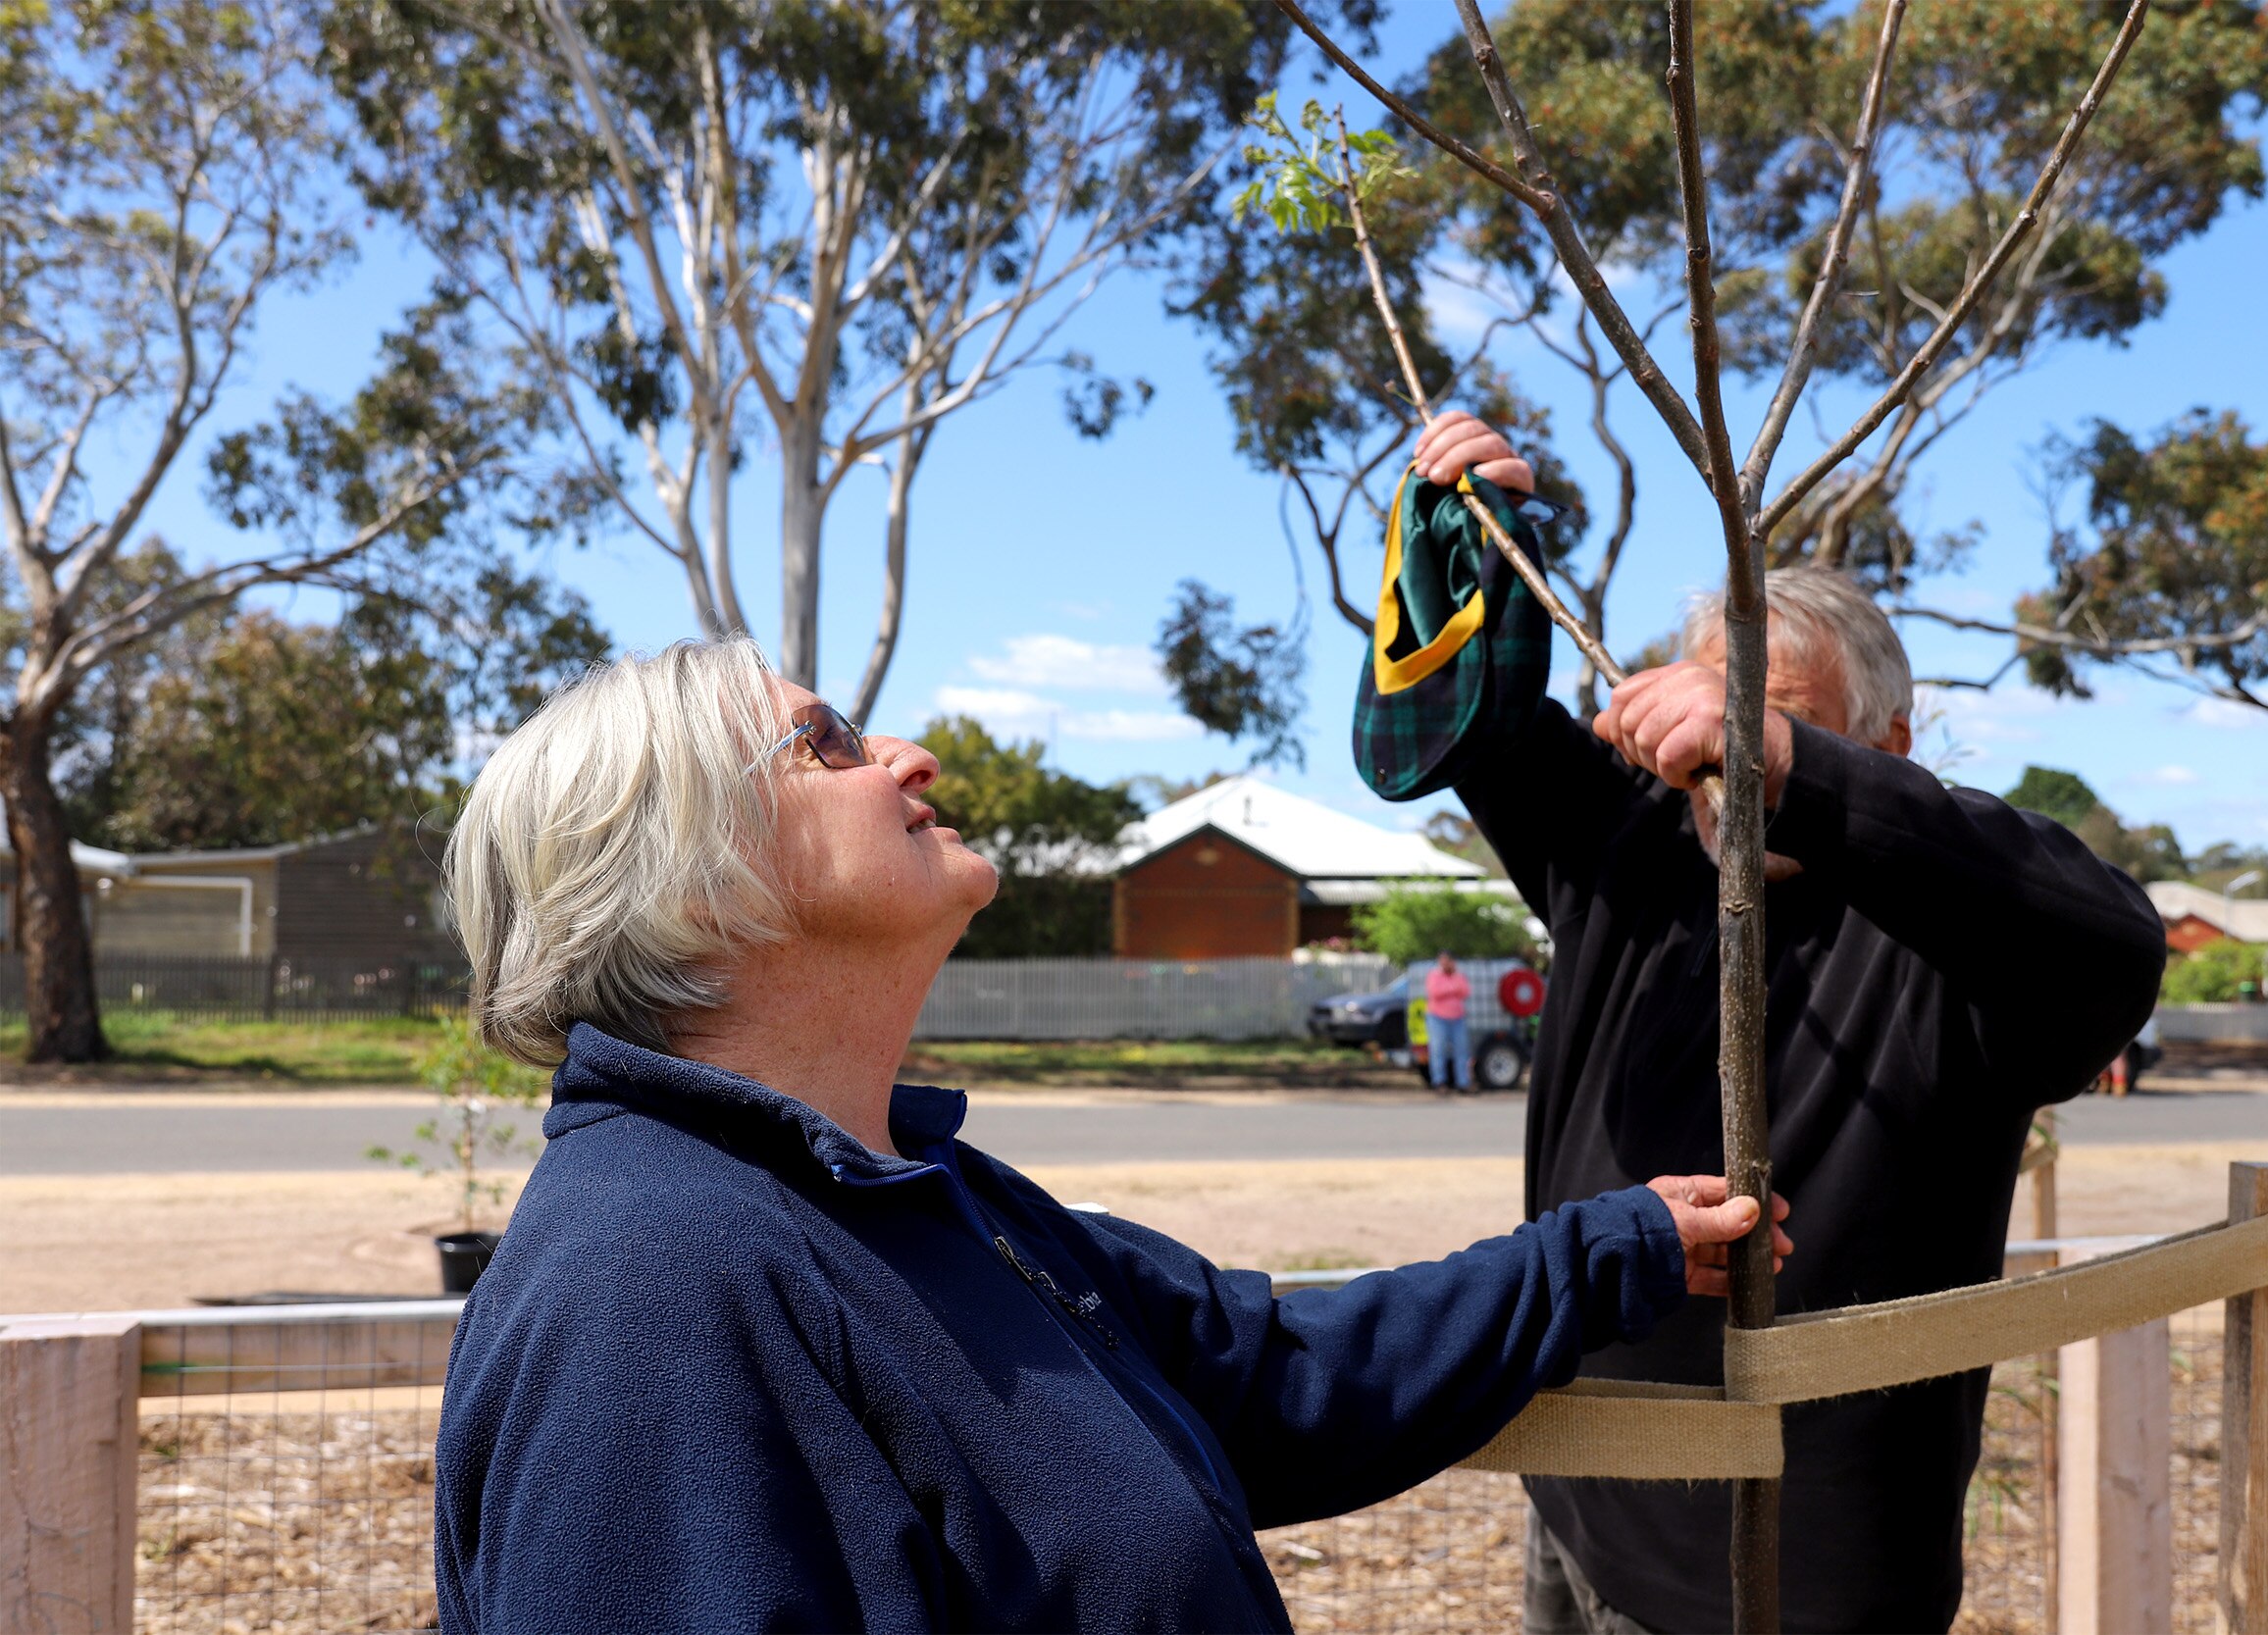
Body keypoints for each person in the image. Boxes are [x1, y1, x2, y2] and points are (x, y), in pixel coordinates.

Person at [431, 639, 1794, 1635]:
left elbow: (1264, 1375)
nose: (913, 755)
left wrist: (1615, 1246)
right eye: (831, 739)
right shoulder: (650, 1287)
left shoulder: (924, 1195)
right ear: (689, 873)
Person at [1390, 415, 2167, 1634]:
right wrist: (1475, 522)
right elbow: (1460, 710)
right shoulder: (1627, 849)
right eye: (1701, 723)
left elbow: (2111, 942)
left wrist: (1791, 764)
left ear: (1888, 746)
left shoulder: (1952, 945)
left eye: (1758, 723)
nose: (1717, 773)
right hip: (1578, 1508)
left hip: (1796, 1586)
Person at [1424, 949, 1473, 1090]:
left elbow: (1465, 991)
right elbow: (1435, 993)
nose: (1445, 963)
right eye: (1442, 960)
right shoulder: (1434, 975)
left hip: (1457, 1018)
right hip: (1437, 1018)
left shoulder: (1459, 975)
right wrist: (1453, 989)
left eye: (1448, 960)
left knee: (1461, 1050)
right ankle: (1439, 1081)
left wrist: (1450, 988)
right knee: (1438, 1050)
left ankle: (1463, 1082)